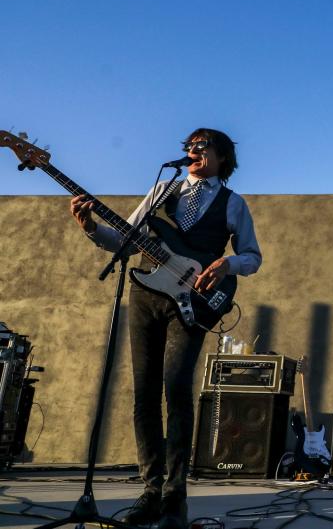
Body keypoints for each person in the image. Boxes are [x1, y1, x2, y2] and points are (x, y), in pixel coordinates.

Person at [70, 128, 262, 529]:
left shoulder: (233, 203)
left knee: (176, 389)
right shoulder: (163, 188)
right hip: (145, 295)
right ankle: (151, 490)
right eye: (188, 146)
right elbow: (122, 239)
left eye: (202, 146)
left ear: (221, 157)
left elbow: (252, 256)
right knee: (144, 394)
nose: (193, 151)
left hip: (193, 301)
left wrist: (227, 264)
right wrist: (89, 226)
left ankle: (175, 496)